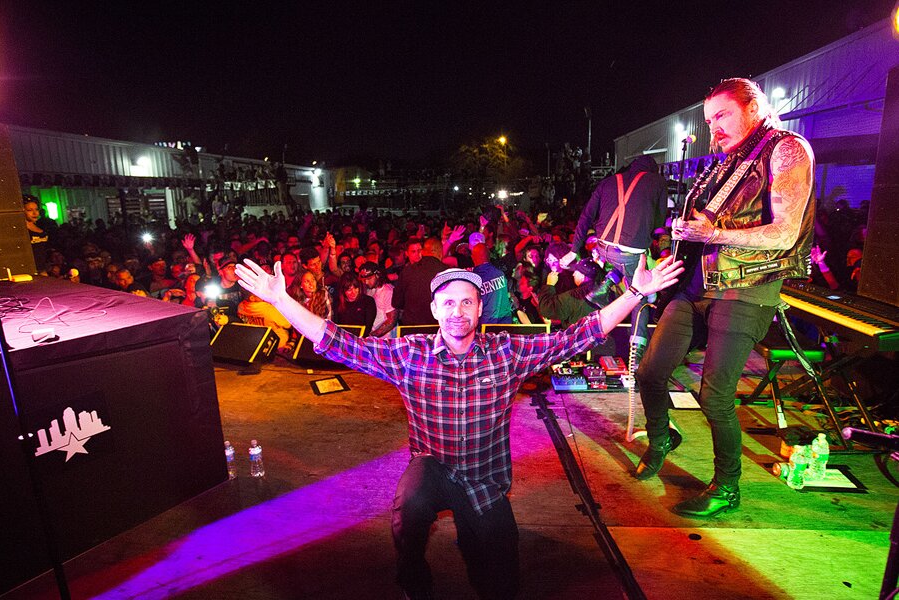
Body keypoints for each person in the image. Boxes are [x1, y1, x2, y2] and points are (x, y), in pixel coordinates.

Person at [235, 255, 683, 600]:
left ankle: (480, 547)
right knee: (409, 505)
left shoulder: (506, 352)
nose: (457, 311)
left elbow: (577, 335)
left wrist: (635, 294)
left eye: (466, 302)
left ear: (480, 307)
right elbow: (338, 342)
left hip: (485, 480)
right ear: (434, 308)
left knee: (502, 579)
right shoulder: (409, 354)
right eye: (448, 302)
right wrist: (280, 301)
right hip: (431, 469)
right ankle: (412, 575)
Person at [634, 78, 816, 518]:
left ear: (754, 108)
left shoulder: (788, 149)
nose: (714, 127)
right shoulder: (730, 162)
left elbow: (785, 233)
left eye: (722, 115)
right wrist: (685, 232)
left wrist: (713, 234)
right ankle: (662, 438)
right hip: (698, 285)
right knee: (650, 372)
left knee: (715, 397)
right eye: (709, 120)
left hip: (748, 289)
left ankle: (727, 486)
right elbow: (711, 223)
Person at [560, 154, 667, 359]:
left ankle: (604, 287)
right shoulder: (657, 182)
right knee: (640, 296)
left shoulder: (609, 181)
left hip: (603, 247)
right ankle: (636, 354)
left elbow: (586, 216)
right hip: (630, 252)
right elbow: (659, 222)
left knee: (621, 263)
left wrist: (574, 250)